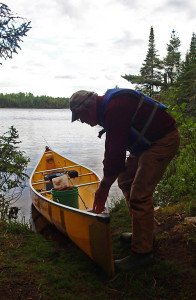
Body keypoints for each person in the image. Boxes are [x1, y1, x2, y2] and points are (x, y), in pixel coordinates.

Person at [69, 88, 180, 271]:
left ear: (87, 109)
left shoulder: (115, 108)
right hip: (145, 145)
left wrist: (103, 189)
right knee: (126, 180)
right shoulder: (109, 108)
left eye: (80, 117)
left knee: (140, 195)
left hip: (162, 141)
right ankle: (142, 235)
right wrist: (106, 182)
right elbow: (112, 148)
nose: (83, 122)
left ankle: (143, 253)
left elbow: (116, 156)